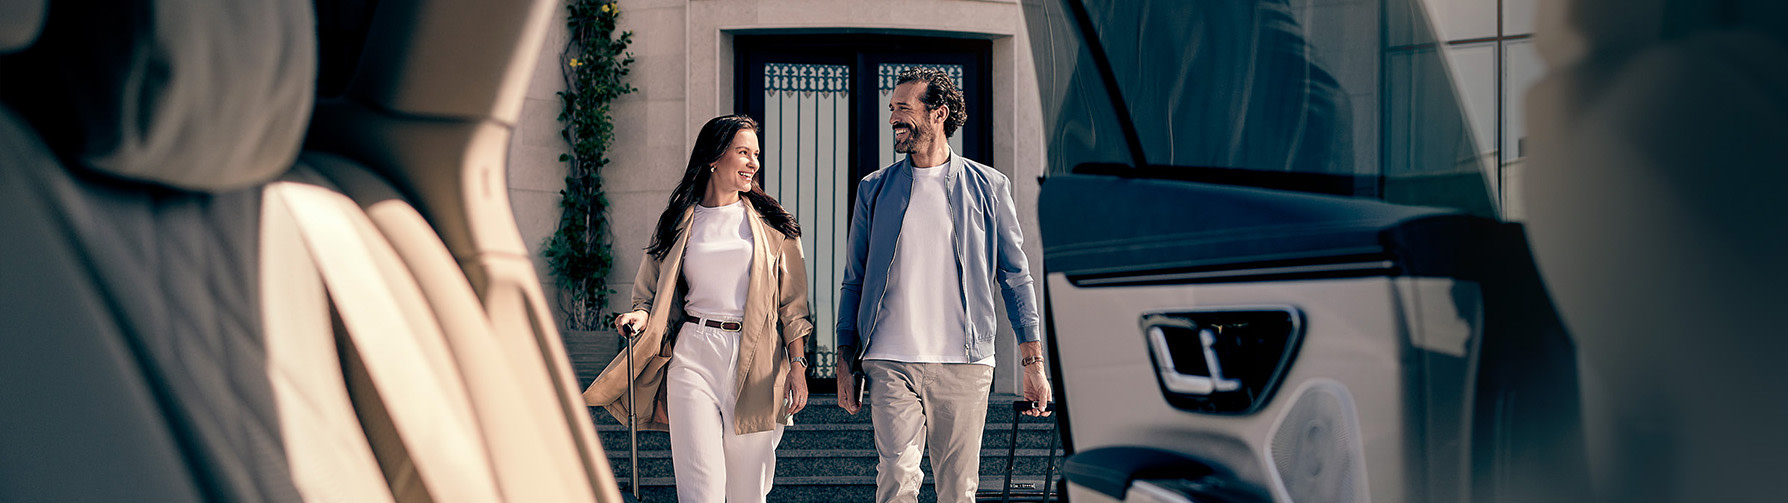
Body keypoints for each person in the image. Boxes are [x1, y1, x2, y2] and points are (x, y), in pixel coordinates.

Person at [834, 67, 1052, 503]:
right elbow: (854, 279)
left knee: (958, 489)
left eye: (904, 108)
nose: (894, 117)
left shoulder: (989, 187)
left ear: (939, 113)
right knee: (896, 477)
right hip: (890, 359)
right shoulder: (874, 189)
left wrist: (1033, 361)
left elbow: (1015, 276)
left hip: (965, 362)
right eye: (892, 108)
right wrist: (844, 356)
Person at [582, 115, 813, 503]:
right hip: (692, 354)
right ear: (713, 157)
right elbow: (647, 294)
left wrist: (798, 366)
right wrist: (637, 317)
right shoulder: (676, 222)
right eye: (743, 152)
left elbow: (793, 306)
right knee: (700, 490)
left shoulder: (773, 225)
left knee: (746, 493)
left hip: (756, 360)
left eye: (755, 154)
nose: (753, 162)